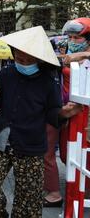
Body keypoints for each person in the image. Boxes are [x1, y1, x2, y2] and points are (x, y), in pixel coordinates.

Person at [0, 26, 75, 217]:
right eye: (18, 58)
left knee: (28, 198)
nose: (22, 62)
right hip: (1, 140)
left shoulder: (49, 82)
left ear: (38, 59)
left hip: (30, 145)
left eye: (28, 59)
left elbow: (52, 113)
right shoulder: (7, 73)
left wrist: (64, 113)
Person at [59, 18, 90, 199]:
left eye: (76, 37)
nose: (72, 41)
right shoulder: (68, 54)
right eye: (70, 37)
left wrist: (85, 55)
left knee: (84, 152)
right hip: (68, 110)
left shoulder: (83, 56)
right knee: (66, 153)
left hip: (86, 111)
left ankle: (82, 193)